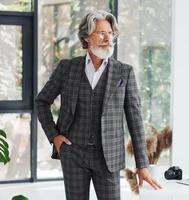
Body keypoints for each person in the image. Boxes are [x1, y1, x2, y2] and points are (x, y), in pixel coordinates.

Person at [35, 10, 161, 200]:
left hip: (108, 157)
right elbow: (42, 101)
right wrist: (54, 136)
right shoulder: (67, 68)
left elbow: (134, 120)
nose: (107, 38)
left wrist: (142, 165)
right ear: (87, 37)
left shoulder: (124, 72)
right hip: (73, 153)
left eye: (110, 33)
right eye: (101, 33)